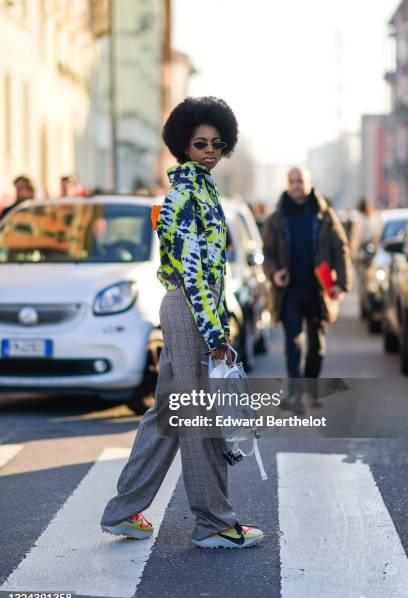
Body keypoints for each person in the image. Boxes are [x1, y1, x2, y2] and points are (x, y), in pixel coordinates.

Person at [100, 96, 264, 549]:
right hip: (191, 308)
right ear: (182, 145)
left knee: (168, 413)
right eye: (200, 143)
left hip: (191, 306)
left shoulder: (200, 186)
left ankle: (123, 512)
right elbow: (192, 270)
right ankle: (214, 525)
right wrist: (215, 333)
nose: (210, 150)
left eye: (216, 143)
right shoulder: (186, 193)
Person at [262, 167, 351, 406]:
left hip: (318, 292)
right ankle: (296, 392)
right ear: (287, 184)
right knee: (292, 342)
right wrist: (274, 273)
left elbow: (341, 250)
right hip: (289, 291)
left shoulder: (324, 215)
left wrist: (342, 283)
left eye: (300, 180)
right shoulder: (276, 218)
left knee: (317, 347)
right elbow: (268, 254)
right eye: (292, 181)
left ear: (309, 183)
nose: (296, 185)